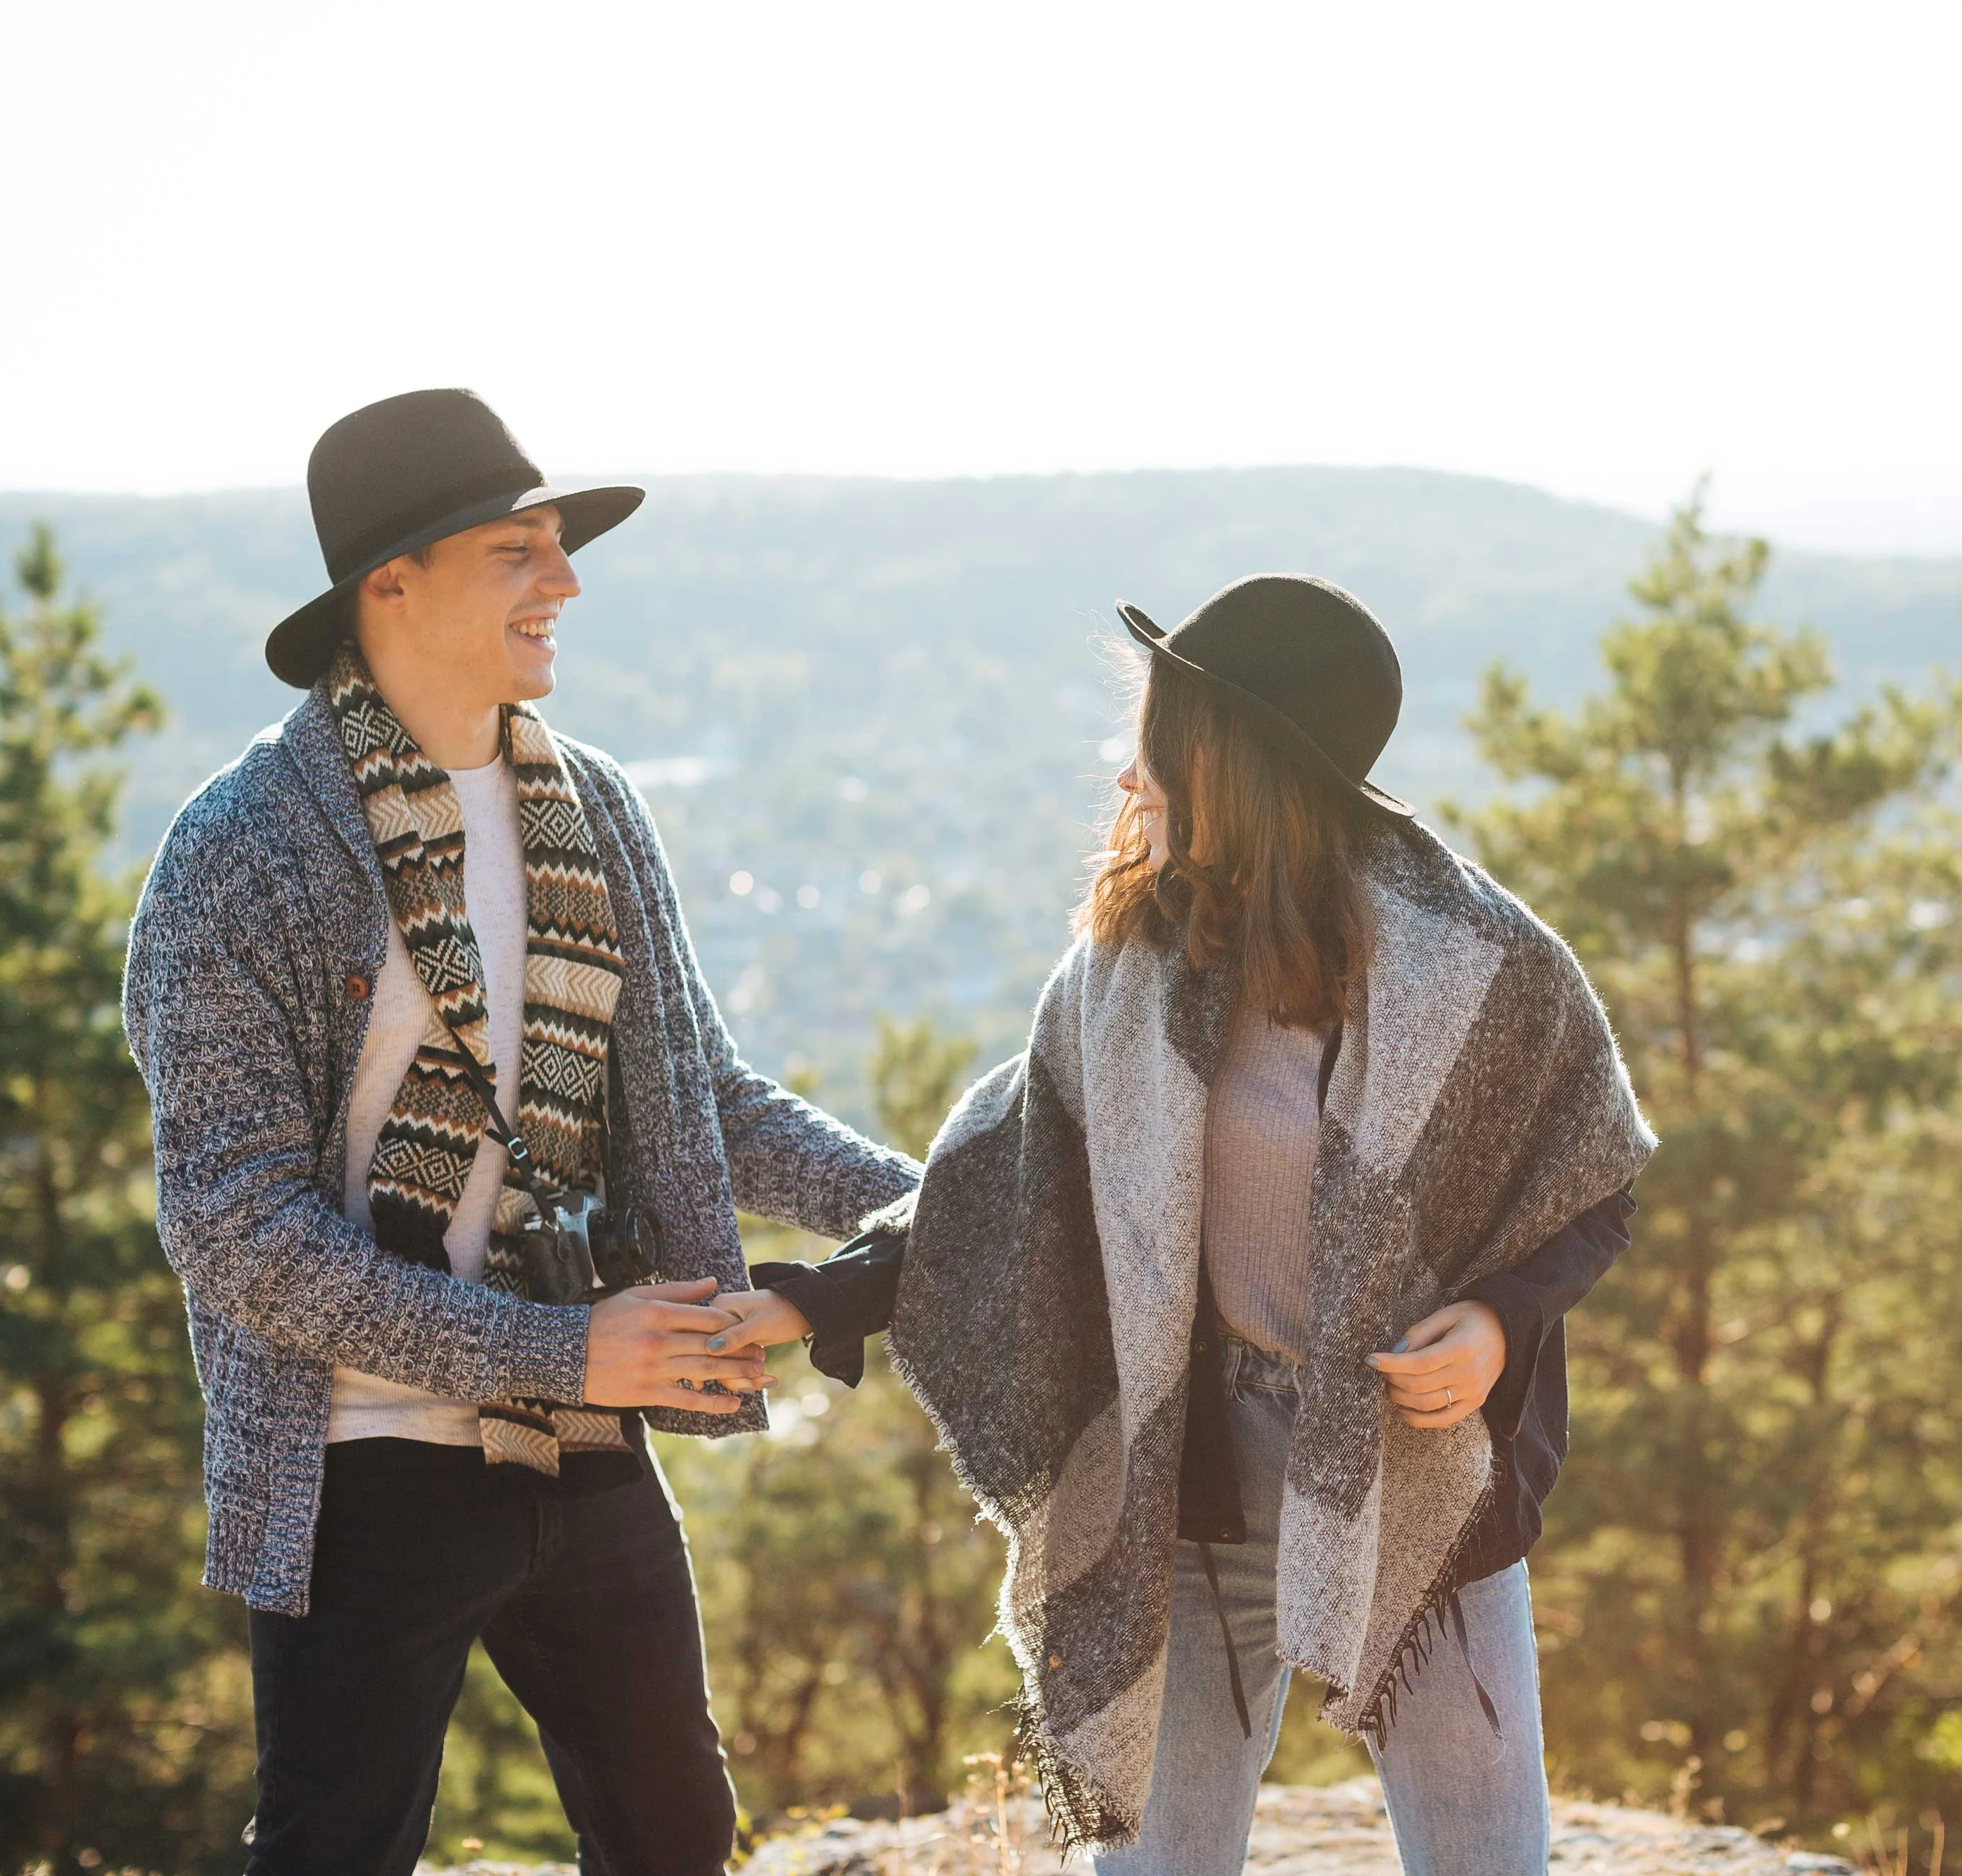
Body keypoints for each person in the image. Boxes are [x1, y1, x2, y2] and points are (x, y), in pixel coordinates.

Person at [714, 573, 1655, 1873]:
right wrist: (815, 1298)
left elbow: (1590, 1175)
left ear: (1237, 758)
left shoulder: (1475, 965)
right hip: (1188, 1472)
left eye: (1153, 744)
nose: (1126, 779)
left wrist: (1497, 1325)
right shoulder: (1128, 965)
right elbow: (997, 1179)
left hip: (1411, 1478)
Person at [122, 389, 918, 1876]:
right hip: (361, 1462)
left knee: (677, 1833)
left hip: (587, 1438)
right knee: (334, 1847)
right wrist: (561, 1352)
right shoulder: (240, 850)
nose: (563, 581)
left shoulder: (592, 806)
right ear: (391, 583)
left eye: (558, 545)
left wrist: (937, 1199)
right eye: (517, 550)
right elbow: (231, 1227)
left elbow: (703, 1100)